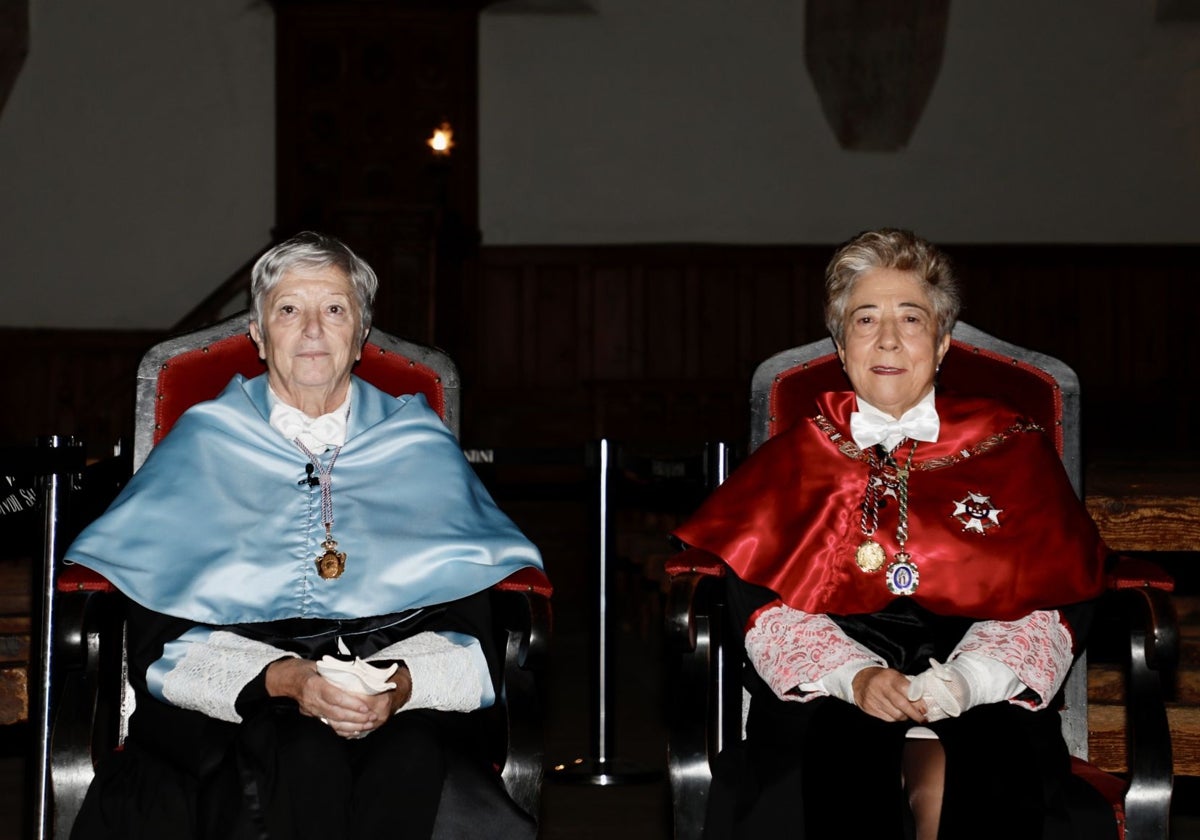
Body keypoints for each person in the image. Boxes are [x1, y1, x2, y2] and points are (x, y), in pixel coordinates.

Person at [66, 231, 545, 840]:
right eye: (290, 310)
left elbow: (471, 622)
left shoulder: (417, 444)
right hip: (240, 697)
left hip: (397, 698)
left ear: (361, 334)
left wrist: (395, 687)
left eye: (335, 309)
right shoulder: (203, 442)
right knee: (293, 751)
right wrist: (287, 680)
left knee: (414, 756)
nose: (313, 330)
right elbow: (161, 631)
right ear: (260, 336)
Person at [673, 229, 1111, 839]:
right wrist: (856, 677)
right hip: (829, 698)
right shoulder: (795, 459)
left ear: (942, 344)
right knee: (809, 790)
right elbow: (759, 600)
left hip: (979, 692)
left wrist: (966, 680)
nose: (887, 339)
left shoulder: (1010, 446)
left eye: (911, 318)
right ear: (840, 344)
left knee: (978, 782)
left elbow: (1060, 589)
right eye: (864, 319)